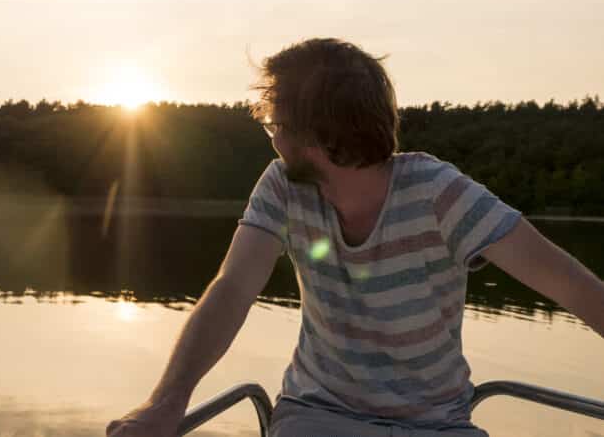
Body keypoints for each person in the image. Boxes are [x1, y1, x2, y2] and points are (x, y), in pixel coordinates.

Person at [106, 38, 604, 437]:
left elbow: (572, 285)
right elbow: (233, 288)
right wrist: (165, 402)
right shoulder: (282, 187)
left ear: (317, 132)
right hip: (316, 417)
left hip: (434, 426)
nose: (273, 137)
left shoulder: (439, 194)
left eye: (274, 122)